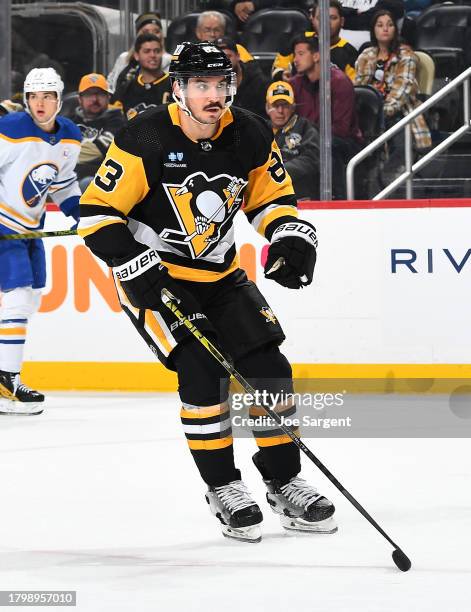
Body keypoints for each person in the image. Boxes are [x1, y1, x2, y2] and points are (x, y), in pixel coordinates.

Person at [78, 42, 336, 543]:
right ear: (179, 89)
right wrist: (130, 259)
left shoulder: (250, 132)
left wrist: (288, 235)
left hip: (221, 275)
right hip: (158, 283)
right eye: (201, 85)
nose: (213, 95)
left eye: (220, 84)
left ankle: (284, 479)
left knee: (269, 368)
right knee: (203, 372)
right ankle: (223, 487)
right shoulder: (145, 134)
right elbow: (97, 214)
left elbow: (272, 198)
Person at [0, 68, 81, 415]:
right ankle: (7, 382)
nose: (40, 104)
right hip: (5, 228)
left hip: (32, 229)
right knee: (17, 302)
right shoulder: (11, 129)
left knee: (31, 300)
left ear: (59, 99)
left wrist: (82, 214)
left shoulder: (71, 137)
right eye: (33, 96)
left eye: (47, 96)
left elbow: (63, 186)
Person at [354, 10, 431, 177]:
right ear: (373, 29)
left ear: (396, 29)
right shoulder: (365, 56)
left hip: (401, 113)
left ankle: (389, 180)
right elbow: (360, 89)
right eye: (380, 25)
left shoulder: (406, 55)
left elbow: (402, 91)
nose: (385, 29)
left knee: (399, 144)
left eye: (389, 24)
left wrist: (381, 112)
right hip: (371, 115)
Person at [291, 36, 363, 198]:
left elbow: (341, 129)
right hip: (308, 138)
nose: (295, 60)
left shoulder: (340, 82)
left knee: (326, 146)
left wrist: (307, 136)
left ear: (316, 56)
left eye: (301, 54)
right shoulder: (294, 84)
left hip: (342, 142)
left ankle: (336, 199)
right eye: (295, 55)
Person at [272, 1, 358, 82]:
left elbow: (353, 86)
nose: (326, 23)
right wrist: (282, 74)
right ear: (312, 19)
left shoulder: (349, 52)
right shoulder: (299, 40)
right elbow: (277, 69)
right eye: (320, 18)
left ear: (342, 21)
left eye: (332, 18)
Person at [70, 73, 125, 190]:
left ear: (108, 98)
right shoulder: (69, 122)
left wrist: (65, 154)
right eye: (89, 95)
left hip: (101, 181)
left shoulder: (118, 122)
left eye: (100, 94)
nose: (95, 99)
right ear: (80, 99)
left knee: (86, 184)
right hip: (68, 177)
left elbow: (98, 150)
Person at [266, 81, 319, 199]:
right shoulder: (259, 130)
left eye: (285, 105)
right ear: (267, 107)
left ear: (293, 107)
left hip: (299, 197)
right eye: (275, 105)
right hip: (265, 198)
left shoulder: (305, 127)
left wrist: (281, 170)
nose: (280, 110)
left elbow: (312, 159)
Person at [108, 12, 171, 93]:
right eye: (146, 31)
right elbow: (111, 84)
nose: (152, 35)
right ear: (137, 35)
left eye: (156, 31)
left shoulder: (169, 60)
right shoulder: (124, 58)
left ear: (162, 35)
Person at [112, 34, 172, 120]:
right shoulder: (126, 89)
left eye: (157, 51)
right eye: (147, 51)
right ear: (136, 55)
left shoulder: (174, 85)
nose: (153, 55)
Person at [217, 37, 269, 118]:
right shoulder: (211, 85)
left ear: (238, 56)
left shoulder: (258, 81)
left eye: (228, 56)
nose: (224, 62)